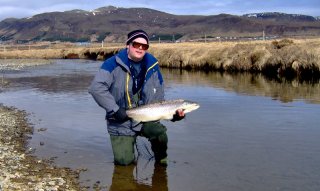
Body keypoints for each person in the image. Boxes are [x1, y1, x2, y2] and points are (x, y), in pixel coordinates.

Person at [89, 29, 184, 166]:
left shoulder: (153, 66)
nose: (140, 48)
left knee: (159, 133)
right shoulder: (111, 64)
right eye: (136, 44)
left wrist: (173, 116)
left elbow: (159, 100)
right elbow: (96, 88)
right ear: (128, 45)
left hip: (146, 118)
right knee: (124, 163)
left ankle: (161, 163)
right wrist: (115, 110)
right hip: (120, 120)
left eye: (144, 46)